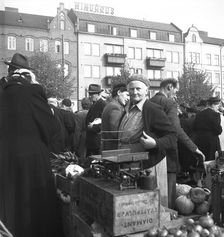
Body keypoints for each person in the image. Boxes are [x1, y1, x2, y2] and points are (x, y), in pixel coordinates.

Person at [0, 53, 63, 237]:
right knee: (35, 208)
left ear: (9, 71)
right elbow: (52, 128)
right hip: (32, 158)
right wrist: (35, 85)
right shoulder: (32, 91)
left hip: (3, 158)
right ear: (27, 74)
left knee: (8, 203)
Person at [118, 74, 177, 207]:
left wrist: (155, 143)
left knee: (146, 203)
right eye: (131, 89)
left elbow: (172, 136)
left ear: (146, 91)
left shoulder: (152, 109)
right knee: (130, 201)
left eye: (138, 89)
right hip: (126, 162)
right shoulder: (127, 109)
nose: (135, 92)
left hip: (145, 165)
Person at [150, 78, 205, 199]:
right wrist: (194, 148)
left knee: (153, 191)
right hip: (168, 154)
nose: (175, 93)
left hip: (152, 153)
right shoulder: (169, 103)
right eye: (175, 90)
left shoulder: (149, 101)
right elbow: (176, 129)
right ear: (169, 87)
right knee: (168, 194)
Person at [101, 83, 129, 150]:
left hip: (107, 147)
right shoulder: (116, 108)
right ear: (119, 92)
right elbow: (116, 133)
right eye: (127, 95)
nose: (128, 98)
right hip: (114, 149)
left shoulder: (109, 105)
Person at [194, 96, 222, 161]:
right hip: (211, 142)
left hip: (200, 140)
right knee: (212, 161)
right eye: (217, 105)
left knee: (202, 159)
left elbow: (195, 127)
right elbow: (218, 131)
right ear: (212, 105)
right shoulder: (215, 114)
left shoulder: (199, 114)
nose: (218, 107)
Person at [85, 84, 107, 157]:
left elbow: (104, 123)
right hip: (91, 141)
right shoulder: (94, 104)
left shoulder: (102, 104)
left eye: (92, 94)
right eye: (89, 93)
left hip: (97, 141)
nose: (90, 96)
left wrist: (93, 127)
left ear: (99, 94)